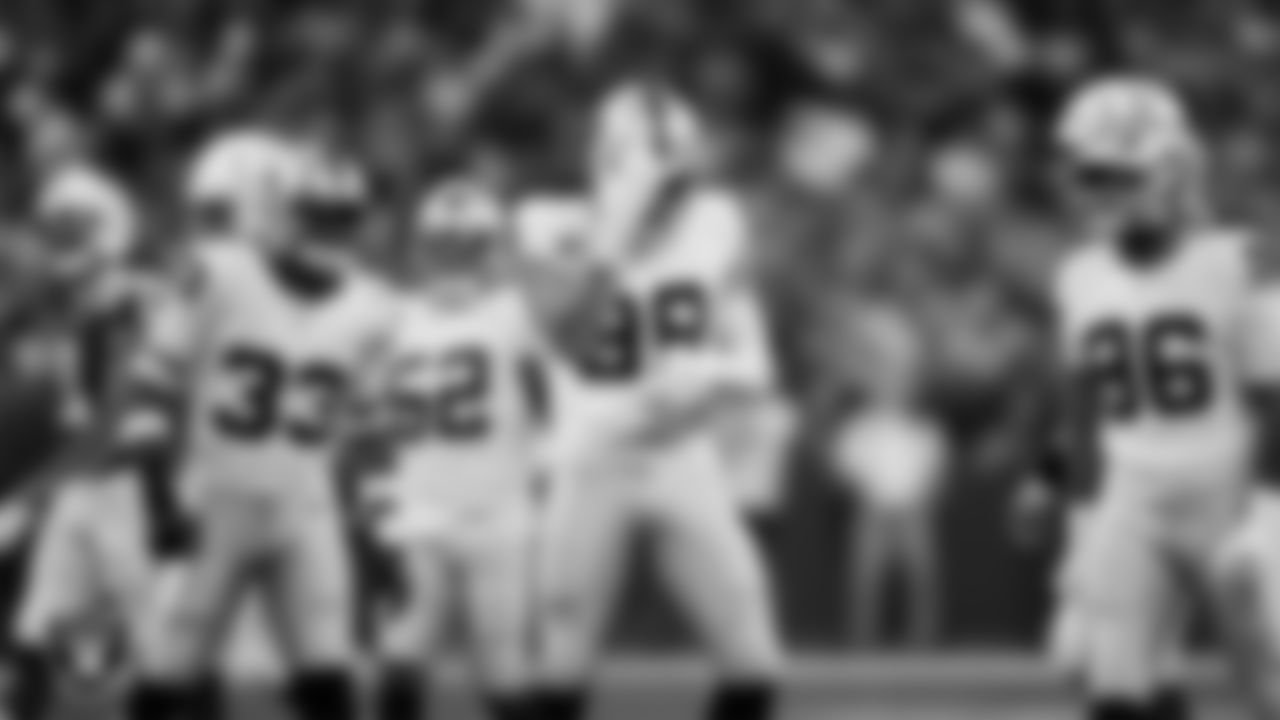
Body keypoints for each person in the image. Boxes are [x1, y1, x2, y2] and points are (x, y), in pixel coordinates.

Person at [523, 80, 783, 720]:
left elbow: (756, 361)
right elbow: (565, 338)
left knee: (753, 665)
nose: (669, 199)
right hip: (590, 460)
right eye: (656, 181)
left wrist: (715, 373)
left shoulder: (717, 221)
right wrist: (614, 235)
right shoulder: (548, 224)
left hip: (682, 456)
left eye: (676, 183)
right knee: (563, 664)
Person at [126, 141, 395, 720]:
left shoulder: (374, 308)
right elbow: (150, 384)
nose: (330, 230)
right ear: (281, 210)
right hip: (214, 503)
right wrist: (156, 500)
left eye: (342, 217)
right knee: (165, 680)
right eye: (317, 214)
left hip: (306, 510)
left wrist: (374, 531)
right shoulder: (221, 273)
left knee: (330, 680)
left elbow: (370, 433)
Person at [1040, 74, 1277, 720]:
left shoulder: (1244, 259)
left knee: (1270, 689)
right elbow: (1082, 411)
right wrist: (1081, 519)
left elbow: (1275, 396)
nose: (1102, 192)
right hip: (1133, 497)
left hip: (1231, 496)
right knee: (1111, 684)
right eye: (1092, 175)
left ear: (1172, 172)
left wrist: (1267, 511)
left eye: (1119, 174)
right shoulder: (1078, 275)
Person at [365, 178, 546, 720]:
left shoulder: (390, 316)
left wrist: (371, 501)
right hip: (493, 511)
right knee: (502, 668)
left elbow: (366, 423)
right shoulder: (520, 313)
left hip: (421, 508)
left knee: (404, 658)